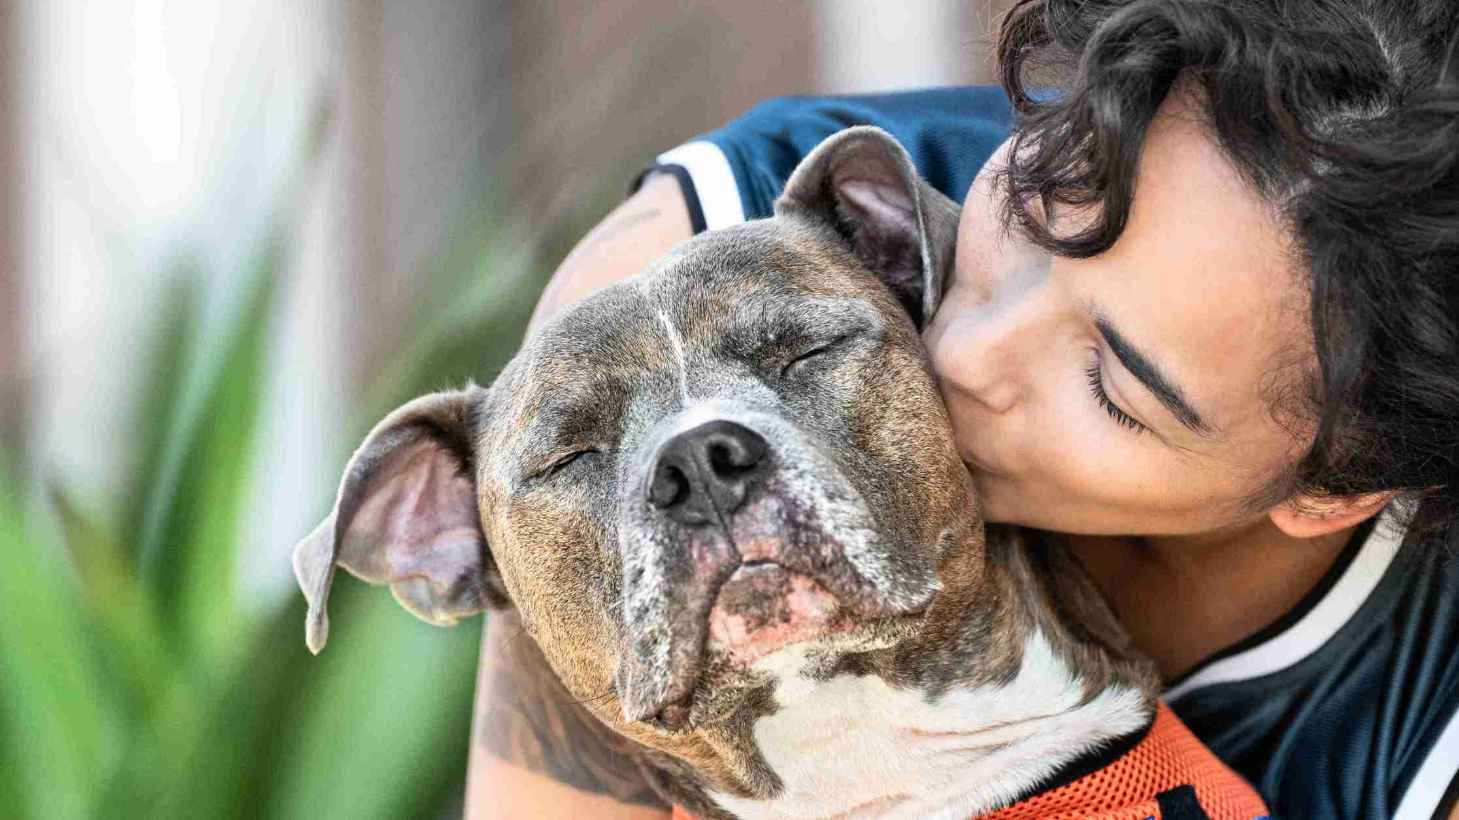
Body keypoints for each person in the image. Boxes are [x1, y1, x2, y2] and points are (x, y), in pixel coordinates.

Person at [465, 1, 1459, 817]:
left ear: (1333, 490)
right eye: (1034, 206)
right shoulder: (733, 260)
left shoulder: (1430, 714)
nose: (970, 349)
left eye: (1109, 385)